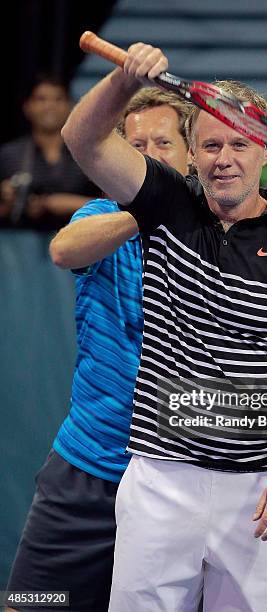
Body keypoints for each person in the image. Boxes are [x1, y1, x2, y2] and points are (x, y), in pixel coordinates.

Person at [61, 43, 267, 612]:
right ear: (191, 152)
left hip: (262, 489)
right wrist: (122, 82)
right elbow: (82, 140)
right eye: (211, 144)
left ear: (264, 150)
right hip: (160, 483)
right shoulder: (165, 203)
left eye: (239, 143)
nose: (224, 158)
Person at [5, 88, 191, 612]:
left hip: (177, 479)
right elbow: (63, 250)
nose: (150, 154)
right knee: (31, 603)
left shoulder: (217, 236)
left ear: (191, 153)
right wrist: (149, 210)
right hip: (87, 473)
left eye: (163, 141)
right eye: (136, 144)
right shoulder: (103, 214)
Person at [0, 74, 97, 230]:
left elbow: (112, 206)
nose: (50, 106)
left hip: (81, 242)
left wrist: (60, 203)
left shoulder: (88, 154)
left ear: (70, 106)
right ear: (27, 106)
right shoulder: (8, 155)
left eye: (58, 99)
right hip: (17, 245)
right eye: (41, 99)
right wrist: (8, 201)